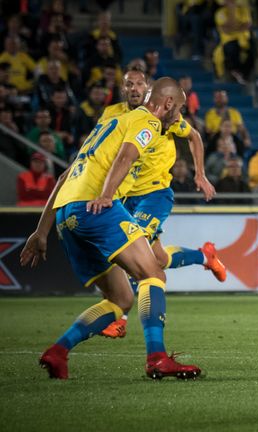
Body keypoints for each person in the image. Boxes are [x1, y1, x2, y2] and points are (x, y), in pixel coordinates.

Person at [20, 78, 202, 380]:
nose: (179, 113)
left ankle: (58, 352)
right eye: (180, 107)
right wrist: (106, 195)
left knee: (120, 299)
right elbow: (127, 155)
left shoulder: (111, 123)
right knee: (153, 272)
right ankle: (157, 358)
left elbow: (65, 175)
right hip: (96, 206)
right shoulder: (148, 121)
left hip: (67, 215)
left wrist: (41, 231)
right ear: (168, 103)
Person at [96, 71, 225, 340]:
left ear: (148, 89)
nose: (134, 88)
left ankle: (121, 318)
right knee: (159, 260)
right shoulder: (113, 115)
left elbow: (195, 137)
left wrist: (199, 174)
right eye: (128, 84)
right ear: (122, 89)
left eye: (140, 84)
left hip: (155, 193)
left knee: (133, 246)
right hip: (125, 196)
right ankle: (205, 256)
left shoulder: (165, 116)